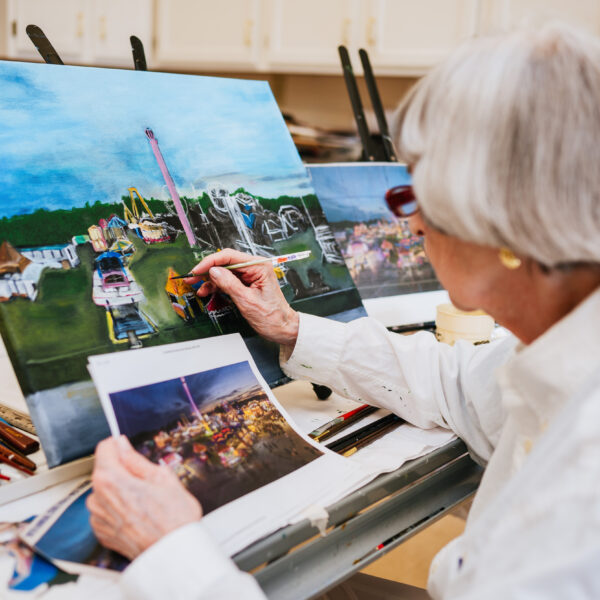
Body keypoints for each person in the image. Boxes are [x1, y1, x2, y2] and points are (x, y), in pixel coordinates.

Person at [87, 22, 600, 599]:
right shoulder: (566, 350)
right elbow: (463, 387)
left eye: (415, 193)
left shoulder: (583, 485)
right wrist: (291, 328)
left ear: (501, 217)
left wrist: (169, 557)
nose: (412, 223)